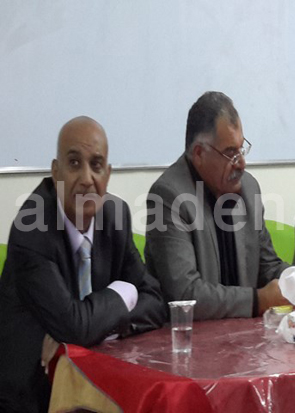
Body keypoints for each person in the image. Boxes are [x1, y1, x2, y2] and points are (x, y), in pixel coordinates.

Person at [0, 116, 166, 413]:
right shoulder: (32, 227)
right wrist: (124, 293)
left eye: (96, 165)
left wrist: (98, 329)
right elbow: (75, 326)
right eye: (74, 163)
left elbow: (155, 301)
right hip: (31, 397)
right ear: (56, 172)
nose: (87, 178)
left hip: (94, 389)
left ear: (108, 174)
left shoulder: (115, 215)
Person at [145, 91, 289, 320]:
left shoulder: (249, 188)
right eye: (231, 153)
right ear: (199, 154)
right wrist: (257, 300)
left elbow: (268, 267)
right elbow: (185, 295)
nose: (241, 163)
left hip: (244, 334)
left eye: (241, 148)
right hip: (189, 338)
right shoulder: (168, 196)